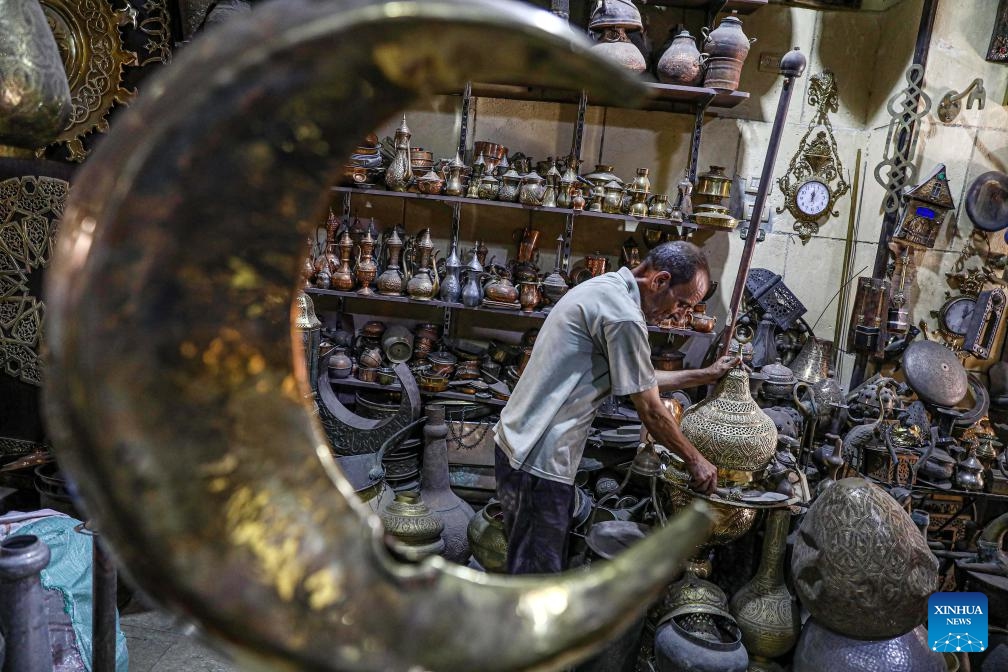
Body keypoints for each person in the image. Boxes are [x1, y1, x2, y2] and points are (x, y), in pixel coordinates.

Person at [492, 240, 737, 575]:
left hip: (515, 444)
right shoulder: (624, 318)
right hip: (539, 460)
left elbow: (641, 377)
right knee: (535, 579)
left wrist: (704, 375)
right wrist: (696, 460)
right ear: (660, 281)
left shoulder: (605, 287)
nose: (679, 315)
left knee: (525, 563)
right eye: (681, 303)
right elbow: (650, 410)